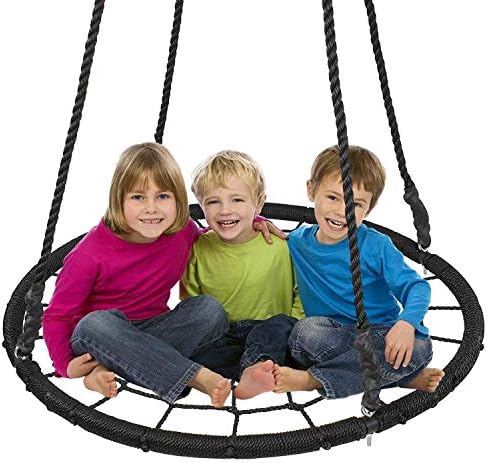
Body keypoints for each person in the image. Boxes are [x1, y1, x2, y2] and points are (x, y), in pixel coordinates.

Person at [42, 142, 279, 407]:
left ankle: (109, 369)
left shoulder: (182, 232)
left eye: (163, 196)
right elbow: (57, 315)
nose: (151, 208)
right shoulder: (90, 253)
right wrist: (64, 365)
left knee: (209, 310)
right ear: (118, 200)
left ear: (178, 200)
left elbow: (214, 237)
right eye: (138, 197)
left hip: (157, 329)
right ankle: (195, 376)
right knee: (95, 323)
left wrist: (253, 222)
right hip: (102, 338)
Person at [274, 145, 444, 399]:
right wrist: (260, 225)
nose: (342, 211)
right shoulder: (296, 243)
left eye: (356, 204)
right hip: (331, 336)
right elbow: (261, 240)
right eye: (333, 198)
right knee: (305, 333)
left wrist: (406, 324)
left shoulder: (376, 245)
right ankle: (400, 377)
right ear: (311, 190)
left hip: (382, 334)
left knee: (419, 348)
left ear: (369, 209)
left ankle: (314, 380)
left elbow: (416, 287)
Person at [181, 150, 304, 399]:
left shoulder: (279, 245)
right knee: (190, 351)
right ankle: (252, 371)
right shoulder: (199, 248)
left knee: (280, 327)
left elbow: (300, 292)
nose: (225, 210)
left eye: (237, 200)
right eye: (213, 202)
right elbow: (191, 300)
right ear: (201, 206)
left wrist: (294, 324)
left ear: (258, 204)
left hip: (271, 330)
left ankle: (259, 365)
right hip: (224, 335)